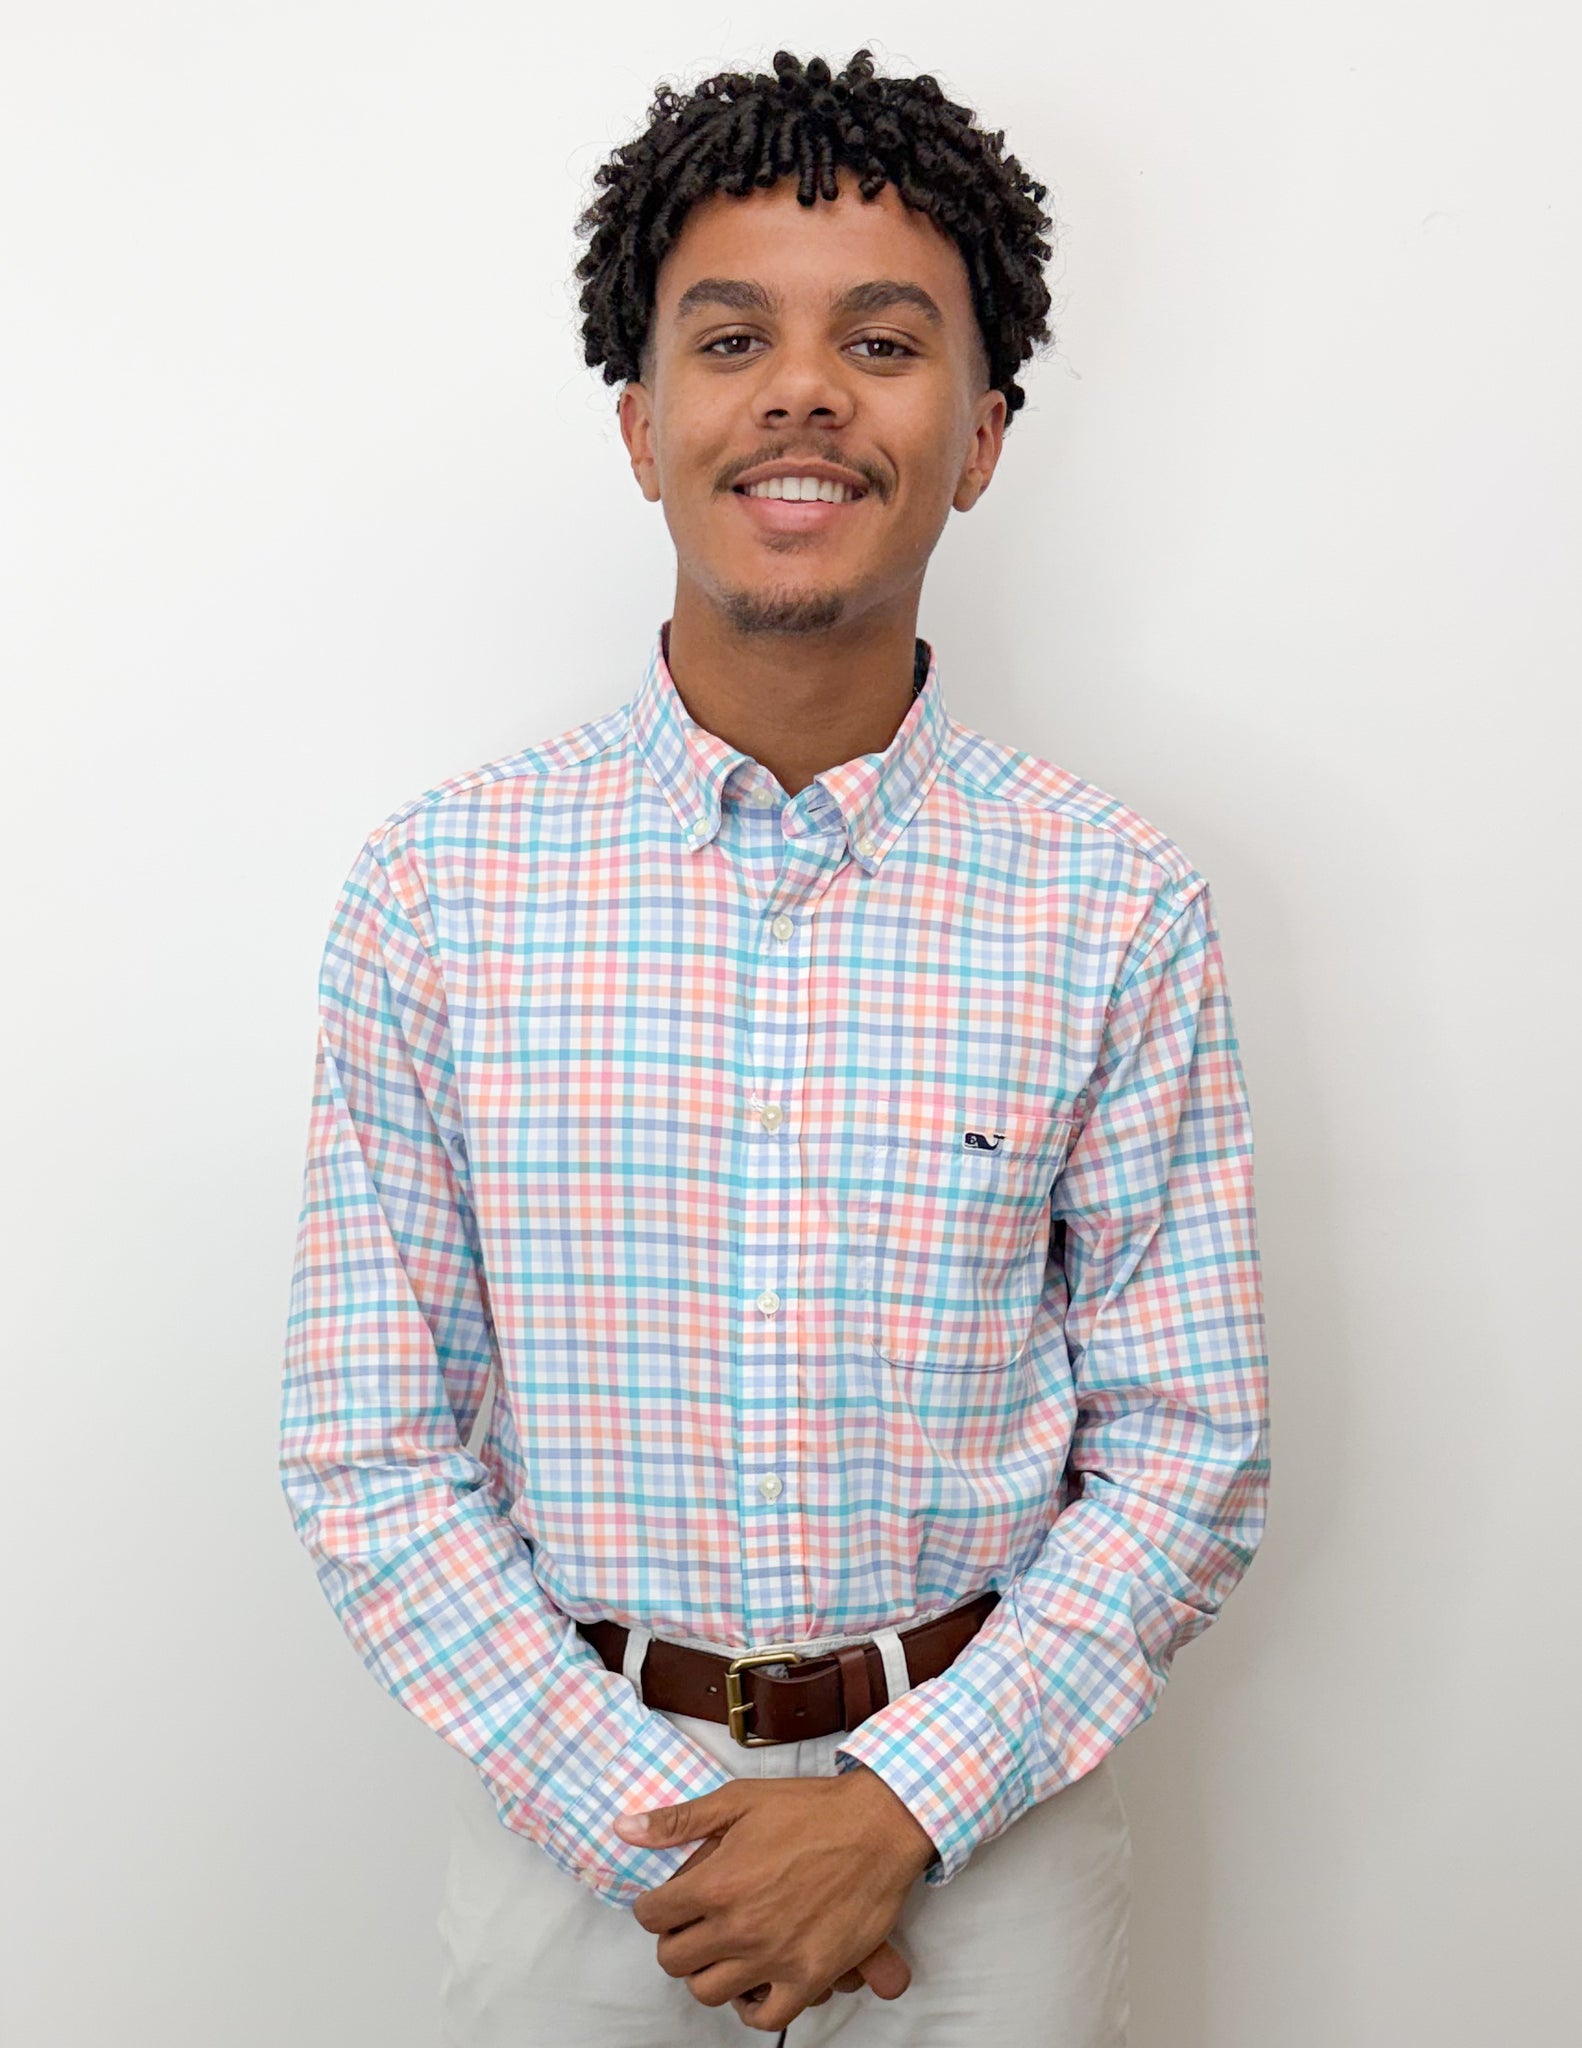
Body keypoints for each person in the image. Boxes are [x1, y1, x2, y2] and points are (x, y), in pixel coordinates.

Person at [279, 46, 1270, 2048]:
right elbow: (370, 1444)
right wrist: (655, 1834)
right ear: (642, 425)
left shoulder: (1112, 903)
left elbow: (1188, 1441)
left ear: (978, 435)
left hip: (987, 1845)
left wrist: (900, 1807)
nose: (803, 391)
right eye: (731, 339)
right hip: (572, 1849)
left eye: (881, 343)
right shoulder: (439, 894)